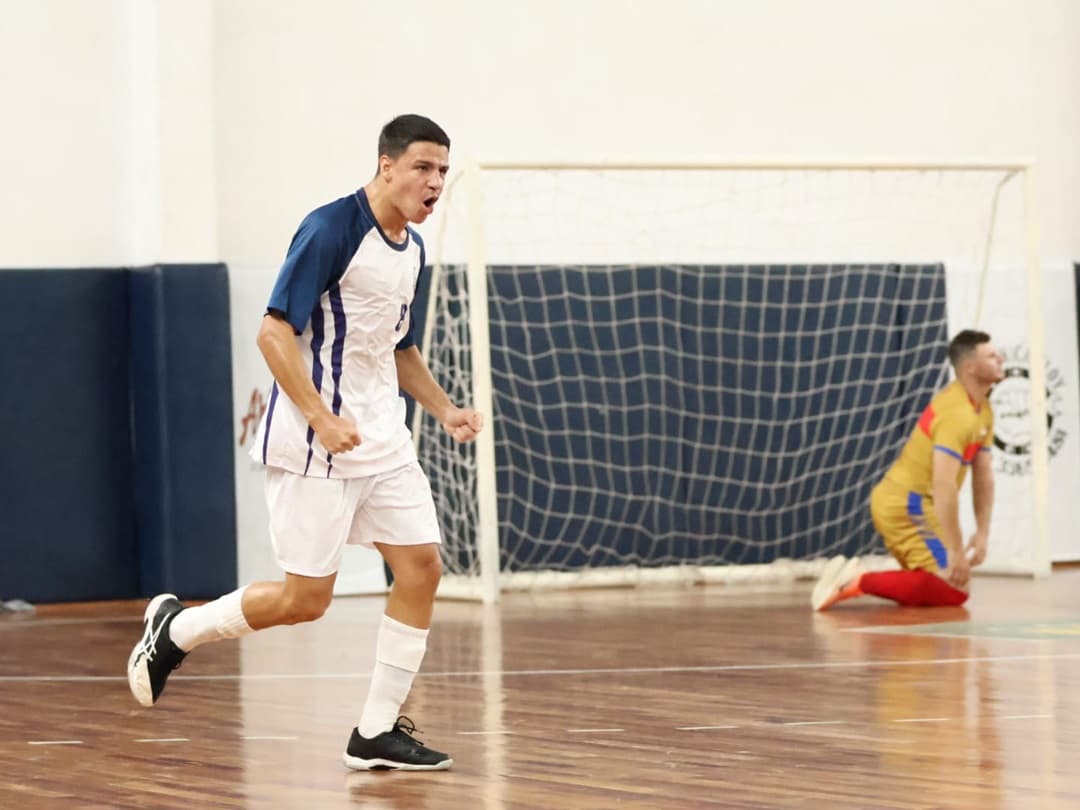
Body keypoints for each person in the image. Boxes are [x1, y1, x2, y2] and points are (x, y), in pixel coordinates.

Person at [127, 114, 481, 771]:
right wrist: (320, 416)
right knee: (304, 601)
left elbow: (397, 346)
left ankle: (376, 730)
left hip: (384, 438)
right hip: (319, 443)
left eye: (442, 171)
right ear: (387, 166)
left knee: (423, 567)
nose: (436, 182)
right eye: (424, 167)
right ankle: (176, 630)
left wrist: (444, 409)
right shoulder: (331, 229)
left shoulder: (414, 250)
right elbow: (272, 332)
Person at [812, 330, 1004, 611]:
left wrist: (983, 532)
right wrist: (954, 548)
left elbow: (983, 476)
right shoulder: (956, 414)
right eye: (991, 355)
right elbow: (943, 485)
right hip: (906, 504)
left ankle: (870, 580)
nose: (1000, 358)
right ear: (970, 367)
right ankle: (858, 580)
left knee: (954, 587)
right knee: (952, 585)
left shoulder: (982, 408)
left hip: (918, 505)